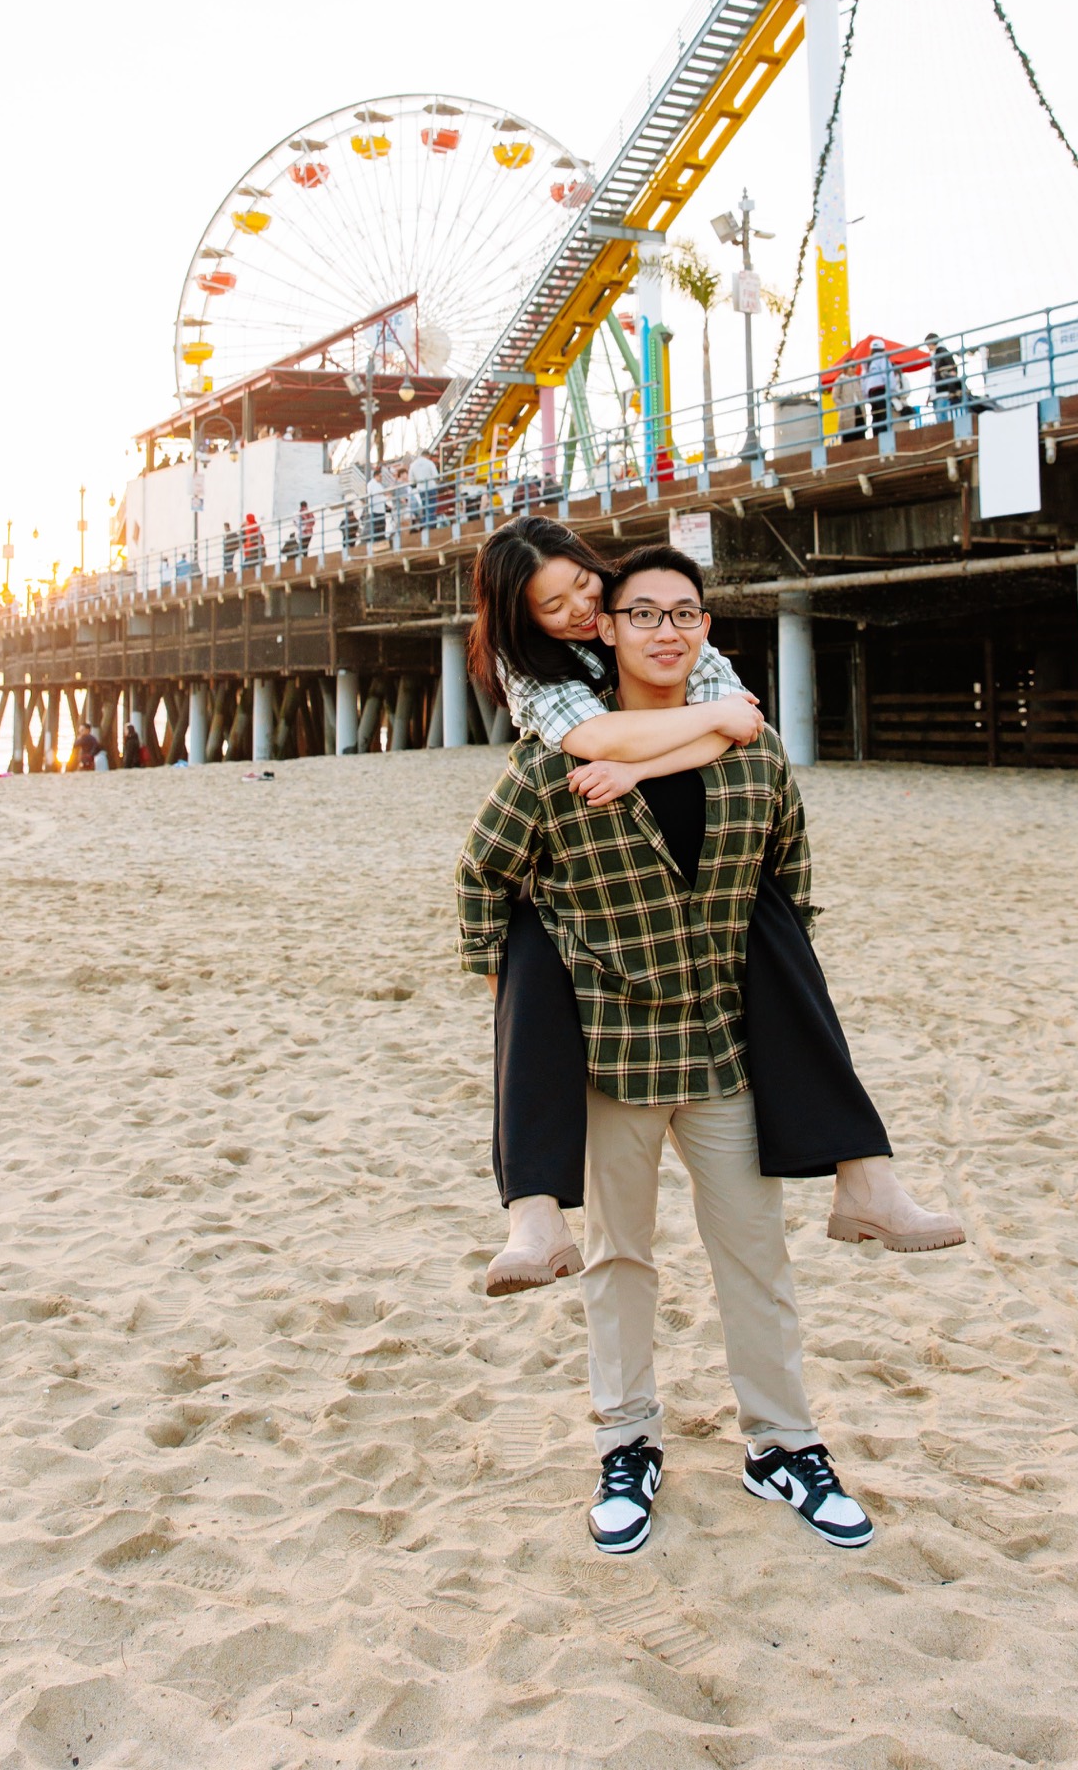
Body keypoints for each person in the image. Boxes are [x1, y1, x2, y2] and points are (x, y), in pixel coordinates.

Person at [459, 546, 887, 1555]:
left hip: (723, 1047)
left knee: (755, 1252)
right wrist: (520, 999)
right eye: (640, 612)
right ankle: (626, 1442)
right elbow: (484, 878)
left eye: (683, 612)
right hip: (610, 1054)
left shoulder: (752, 750)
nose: (663, 628)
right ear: (604, 628)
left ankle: (783, 1443)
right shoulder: (550, 759)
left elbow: (791, 874)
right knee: (619, 1258)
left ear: (703, 626)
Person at [463, 516, 961, 1300]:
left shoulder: (656, 620)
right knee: (525, 946)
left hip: (711, 1002)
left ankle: (866, 1177)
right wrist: (494, 979)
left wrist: (640, 767)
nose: (578, 609)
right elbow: (593, 740)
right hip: (605, 995)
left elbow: (742, 726)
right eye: (553, 605)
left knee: (775, 918)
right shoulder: (534, 678)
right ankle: (533, 1214)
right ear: (525, 620)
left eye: (583, 584)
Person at [861, 338, 899, 435]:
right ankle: (884, 436)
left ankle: (875, 437)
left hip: (871, 392)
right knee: (885, 414)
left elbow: (863, 380)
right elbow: (888, 375)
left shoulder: (867, 363)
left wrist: (865, 395)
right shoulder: (883, 359)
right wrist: (892, 390)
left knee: (875, 415)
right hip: (881, 389)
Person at [924, 333, 964, 423]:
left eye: (927, 344)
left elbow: (953, 369)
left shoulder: (941, 352)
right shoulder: (936, 354)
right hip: (938, 391)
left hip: (942, 391)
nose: (927, 347)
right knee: (941, 418)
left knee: (942, 419)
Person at [408, 449, 439, 531]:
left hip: (421, 488)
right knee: (431, 507)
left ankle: (425, 525)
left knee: (425, 506)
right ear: (428, 455)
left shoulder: (413, 465)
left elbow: (411, 479)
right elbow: (435, 476)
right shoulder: (429, 463)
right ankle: (431, 526)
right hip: (431, 487)